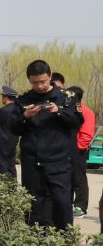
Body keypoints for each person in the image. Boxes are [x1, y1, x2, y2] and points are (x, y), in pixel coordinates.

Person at [9, 60, 83, 230]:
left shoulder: (67, 97)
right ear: (29, 80)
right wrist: (25, 116)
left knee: (62, 202)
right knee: (34, 204)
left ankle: (64, 239)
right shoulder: (23, 100)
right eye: (35, 82)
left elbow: (77, 122)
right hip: (32, 163)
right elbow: (13, 129)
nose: (40, 86)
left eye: (43, 81)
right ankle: (35, 239)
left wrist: (59, 112)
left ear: (50, 76)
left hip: (59, 161)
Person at [68, 86, 94, 218]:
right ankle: (66, 203)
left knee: (79, 179)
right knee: (66, 178)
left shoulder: (86, 112)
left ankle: (80, 206)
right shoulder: (67, 110)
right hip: (65, 150)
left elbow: (87, 135)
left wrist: (77, 147)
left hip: (78, 151)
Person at [0, 86, 21, 179]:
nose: (2, 99)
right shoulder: (18, 109)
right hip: (13, 140)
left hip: (2, 142)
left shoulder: (3, 110)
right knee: (11, 164)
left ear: (6, 97)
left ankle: (5, 184)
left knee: (2, 165)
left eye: (2, 97)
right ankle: (12, 184)